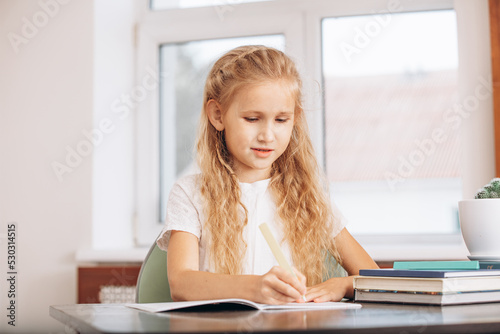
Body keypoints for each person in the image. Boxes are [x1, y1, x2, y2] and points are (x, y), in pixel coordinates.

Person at [157, 45, 378, 304]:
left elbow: (376, 278)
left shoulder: (307, 197)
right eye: (252, 119)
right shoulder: (191, 193)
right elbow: (182, 284)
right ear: (218, 115)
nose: (267, 135)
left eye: (281, 120)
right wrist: (254, 287)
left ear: (295, 118)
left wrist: (341, 285)